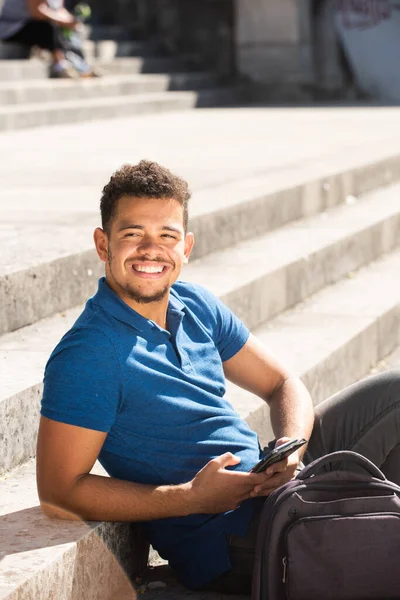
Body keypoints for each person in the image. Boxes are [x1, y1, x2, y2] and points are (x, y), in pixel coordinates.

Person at [37, 160, 400, 595]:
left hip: (275, 480)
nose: (151, 250)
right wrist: (190, 497)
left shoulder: (195, 304)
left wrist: (289, 447)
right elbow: (59, 490)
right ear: (103, 244)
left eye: (167, 236)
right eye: (133, 234)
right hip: (234, 535)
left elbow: (281, 383)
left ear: (186, 246)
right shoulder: (89, 353)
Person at [0, 0, 96, 78]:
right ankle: (60, 64)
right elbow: (36, 12)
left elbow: (59, 10)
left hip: (34, 23)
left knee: (69, 32)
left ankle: (81, 65)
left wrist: (71, 21)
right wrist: (62, 21)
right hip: (14, 26)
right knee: (50, 27)